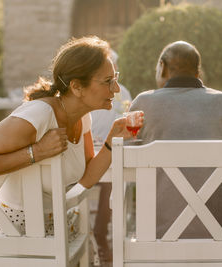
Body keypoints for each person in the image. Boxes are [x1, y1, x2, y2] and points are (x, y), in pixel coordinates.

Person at [0, 36, 143, 240]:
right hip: (16, 232)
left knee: (84, 234)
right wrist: (35, 152)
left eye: (115, 79)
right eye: (108, 81)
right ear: (76, 87)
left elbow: (88, 177)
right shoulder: (38, 115)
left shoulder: (84, 118)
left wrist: (113, 138)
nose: (116, 89)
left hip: (55, 224)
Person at [129, 40, 222, 239]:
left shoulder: (143, 104)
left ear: (162, 67)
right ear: (198, 71)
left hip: (156, 230)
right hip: (221, 231)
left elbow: (128, 165)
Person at [90, 49, 132, 261]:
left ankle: (100, 233)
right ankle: (89, 234)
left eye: (114, 75)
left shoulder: (122, 93)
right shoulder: (87, 93)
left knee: (113, 179)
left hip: (108, 151)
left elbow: (127, 122)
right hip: (88, 152)